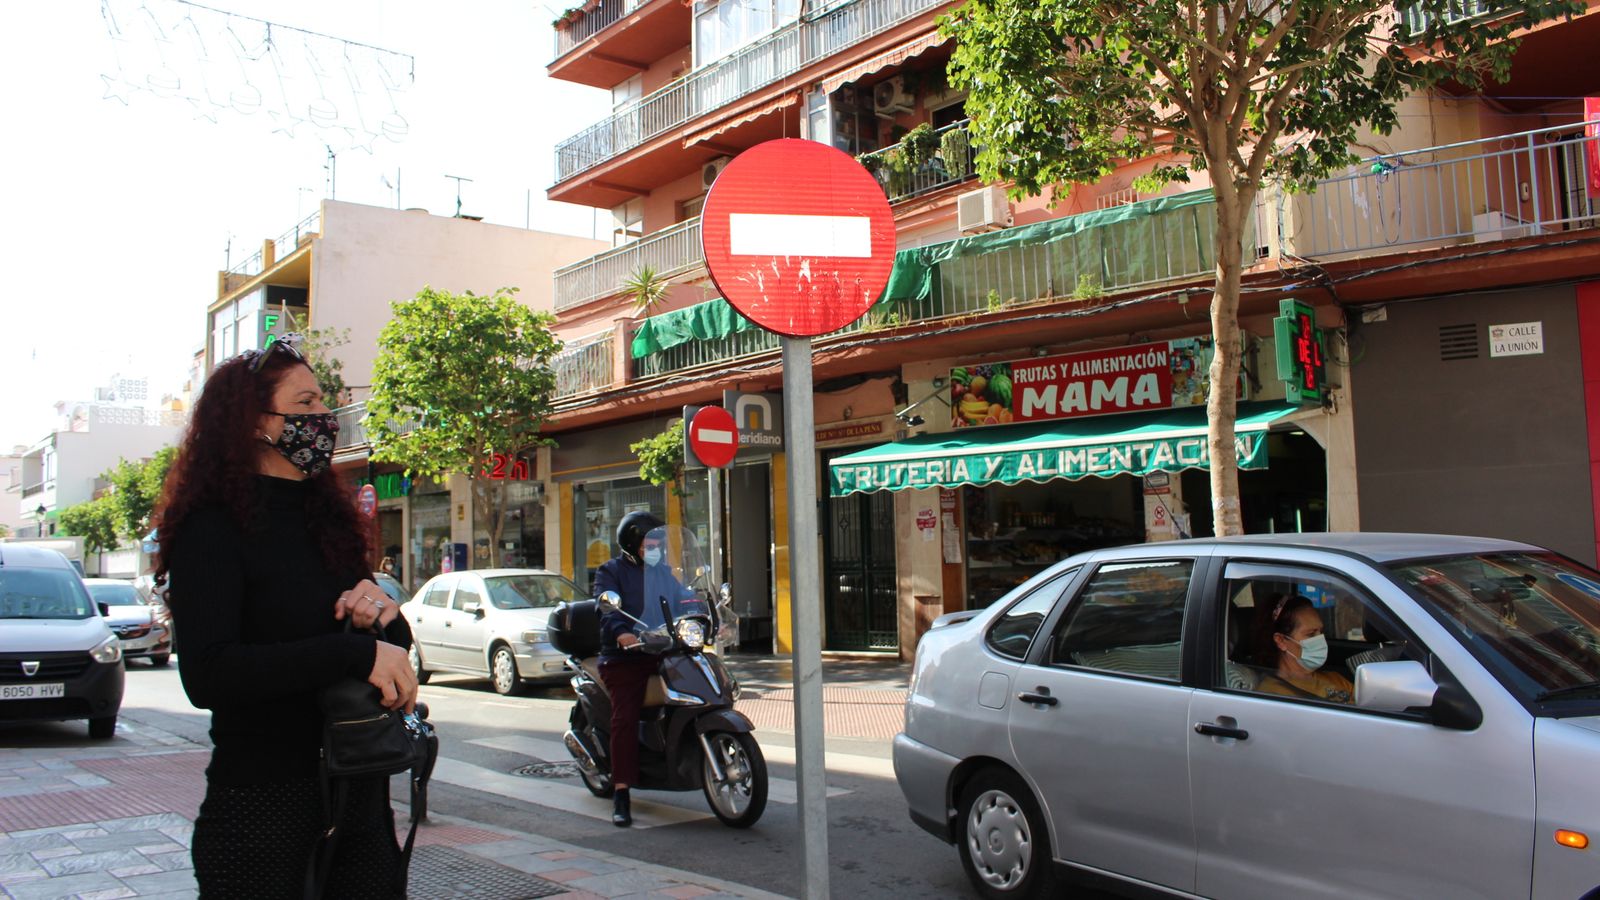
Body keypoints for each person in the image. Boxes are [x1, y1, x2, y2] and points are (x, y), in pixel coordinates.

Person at [153, 336, 419, 899]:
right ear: (253, 422)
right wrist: (353, 652)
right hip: (261, 809)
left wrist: (387, 619)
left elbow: (381, 643)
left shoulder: (330, 519)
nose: (324, 417)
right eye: (304, 405)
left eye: (323, 402)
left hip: (361, 801)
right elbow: (209, 674)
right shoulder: (212, 527)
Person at [592, 511, 698, 827]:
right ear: (631, 542)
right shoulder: (610, 571)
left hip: (662, 651)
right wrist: (621, 633)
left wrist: (703, 612)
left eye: (656, 543)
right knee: (624, 717)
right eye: (647, 542)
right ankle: (622, 791)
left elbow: (684, 599)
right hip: (625, 656)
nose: (652, 548)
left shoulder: (663, 573)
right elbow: (606, 608)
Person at [1253, 594, 1354, 704]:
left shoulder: (1335, 678)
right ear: (1281, 640)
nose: (1320, 640)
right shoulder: (1271, 695)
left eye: (1321, 632)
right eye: (1311, 634)